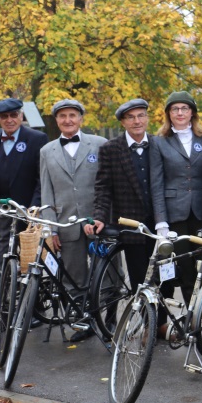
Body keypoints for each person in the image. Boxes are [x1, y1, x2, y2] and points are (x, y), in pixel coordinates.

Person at [151, 91, 202, 320]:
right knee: (186, 269)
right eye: (175, 109)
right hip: (175, 214)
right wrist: (161, 221)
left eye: (184, 108)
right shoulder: (159, 142)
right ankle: (194, 320)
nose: (180, 112)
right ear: (168, 113)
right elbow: (156, 184)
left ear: (192, 112)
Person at [87, 99, 163, 289]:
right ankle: (141, 309)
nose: (137, 121)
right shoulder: (110, 149)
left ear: (147, 118)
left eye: (141, 116)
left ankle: (162, 310)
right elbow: (103, 188)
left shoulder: (160, 144)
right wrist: (99, 217)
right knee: (139, 282)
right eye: (130, 117)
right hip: (131, 226)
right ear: (122, 122)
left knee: (165, 280)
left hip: (161, 223)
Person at [38, 98, 107, 308]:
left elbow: (109, 185)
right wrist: (51, 229)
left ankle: (110, 318)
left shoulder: (100, 144)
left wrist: (107, 216)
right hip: (65, 224)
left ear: (80, 118)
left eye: (72, 115)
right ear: (56, 120)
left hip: (98, 222)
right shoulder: (46, 151)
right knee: (74, 279)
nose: (67, 120)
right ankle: (78, 315)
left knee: (108, 275)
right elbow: (46, 192)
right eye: (62, 116)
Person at [0, 97, 48, 268]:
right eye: (4, 116)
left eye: (13, 115)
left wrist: (35, 206)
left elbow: (42, 177)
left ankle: (29, 283)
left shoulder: (37, 138)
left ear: (21, 116)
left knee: (30, 255)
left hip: (28, 207)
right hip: (2, 208)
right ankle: (4, 282)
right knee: (2, 252)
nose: (9, 120)